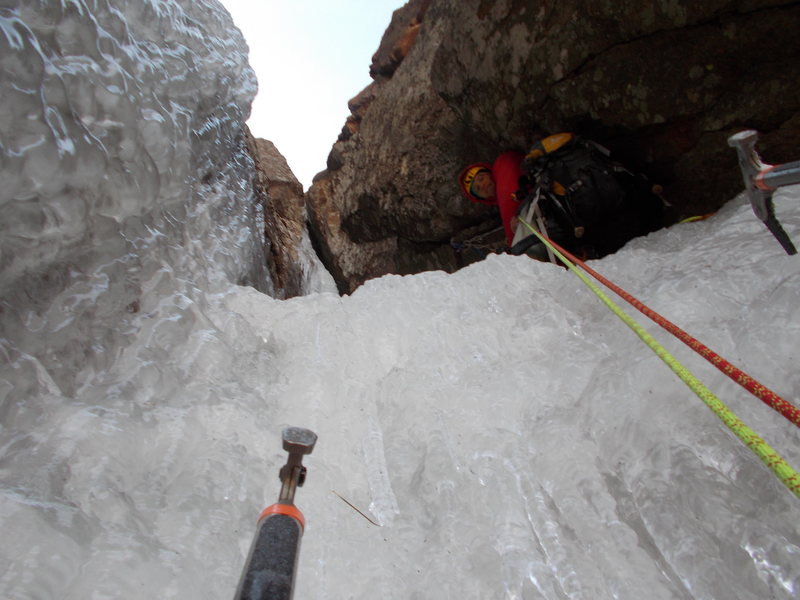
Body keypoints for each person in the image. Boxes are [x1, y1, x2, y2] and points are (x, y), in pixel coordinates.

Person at [459, 151, 525, 247]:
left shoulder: (501, 167)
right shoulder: (501, 198)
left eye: (481, 179)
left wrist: (513, 238)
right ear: (481, 198)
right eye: (478, 189)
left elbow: (508, 201)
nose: (482, 185)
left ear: (489, 173)